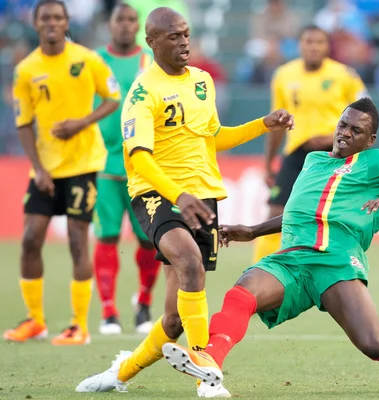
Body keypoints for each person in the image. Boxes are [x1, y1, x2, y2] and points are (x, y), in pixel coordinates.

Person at [165, 98, 379, 397]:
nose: (345, 133)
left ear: (370, 139)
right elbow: (299, 212)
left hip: (336, 262)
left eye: (356, 130)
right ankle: (210, 362)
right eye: (342, 125)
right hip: (291, 260)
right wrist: (253, 231)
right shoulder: (313, 161)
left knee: (373, 345)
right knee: (242, 293)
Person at [75, 7, 293, 397]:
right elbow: (139, 156)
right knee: (189, 262)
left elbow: (215, 137)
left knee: (174, 317)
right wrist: (178, 194)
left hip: (202, 196)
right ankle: (204, 372)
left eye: (186, 34)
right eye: (173, 36)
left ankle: (120, 373)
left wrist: (264, 125)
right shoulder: (142, 92)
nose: (183, 42)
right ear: (152, 42)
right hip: (158, 194)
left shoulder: (203, 82)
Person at [3, 0, 120, 345]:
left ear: (66, 22)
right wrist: (38, 168)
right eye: (45, 18)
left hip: (83, 165)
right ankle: (35, 321)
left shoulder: (87, 59)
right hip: (45, 170)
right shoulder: (25, 69)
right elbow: (23, 122)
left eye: (58, 17)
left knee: (76, 241)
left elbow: (112, 98)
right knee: (29, 240)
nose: (52, 22)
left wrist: (82, 123)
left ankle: (78, 325)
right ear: (36, 23)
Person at [255, 25, 368, 264]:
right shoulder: (284, 75)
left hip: (334, 153)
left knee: (331, 216)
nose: (314, 47)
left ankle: (340, 266)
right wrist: (268, 164)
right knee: (276, 212)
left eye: (319, 42)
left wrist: (333, 137)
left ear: (327, 46)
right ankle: (260, 269)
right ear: (299, 45)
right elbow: (276, 123)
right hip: (296, 152)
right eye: (308, 41)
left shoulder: (344, 75)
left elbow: (366, 116)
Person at [93, 3, 158, 336]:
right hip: (102, 165)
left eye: (132, 20)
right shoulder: (93, 62)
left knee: (148, 239)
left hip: (143, 166)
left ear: (139, 26)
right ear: (110, 24)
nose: (126, 25)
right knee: (107, 236)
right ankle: (108, 311)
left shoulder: (150, 61)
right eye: (120, 19)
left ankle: (144, 304)